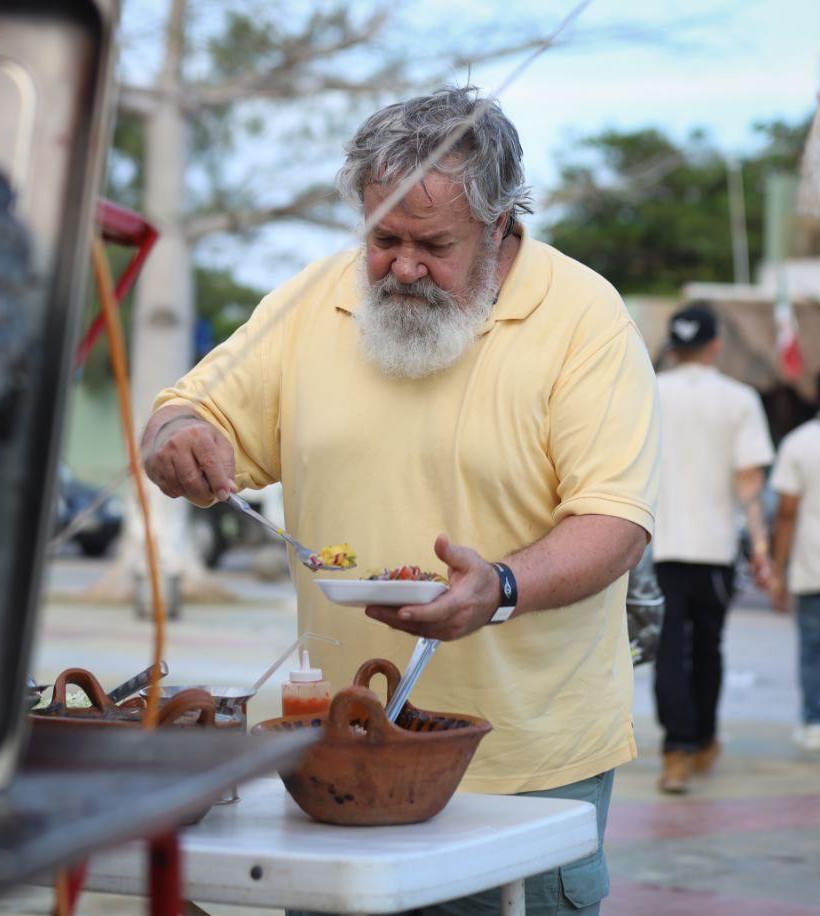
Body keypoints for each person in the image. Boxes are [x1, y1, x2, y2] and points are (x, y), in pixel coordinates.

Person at [142, 86, 658, 916]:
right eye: (384, 238)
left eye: (433, 244)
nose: (403, 267)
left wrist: (500, 587)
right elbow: (188, 411)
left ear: (499, 226)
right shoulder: (316, 298)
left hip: (526, 768)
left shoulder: (584, 318)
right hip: (334, 758)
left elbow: (615, 520)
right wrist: (174, 436)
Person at [651, 302, 774, 794]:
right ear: (716, 345)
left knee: (668, 650)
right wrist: (761, 547)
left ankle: (676, 751)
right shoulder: (739, 399)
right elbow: (749, 480)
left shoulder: (649, 391)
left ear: (674, 345)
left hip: (658, 546)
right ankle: (701, 740)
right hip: (715, 547)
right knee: (708, 648)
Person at [769, 383, 820, 751]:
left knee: (811, 649)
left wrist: (778, 570)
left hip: (811, 563)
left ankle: (814, 722)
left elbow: (786, 513)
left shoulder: (799, 443)